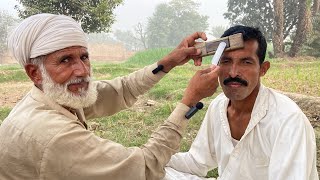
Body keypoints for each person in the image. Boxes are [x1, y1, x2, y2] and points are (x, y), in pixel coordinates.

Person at [0, 13, 221, 180]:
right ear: (34, 73)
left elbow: (121, 89)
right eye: (65, 60)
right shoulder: (53, 135)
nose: (82, 70)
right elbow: (144, 168)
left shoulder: (53, 95)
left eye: (84, 57)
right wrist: (189, 102)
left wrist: (168, 62)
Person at [164, 25, 319, 180]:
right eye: (226, 61)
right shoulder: (218, 107)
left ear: (263, 69)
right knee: (155, 172)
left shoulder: (288, 120)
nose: (233, 72)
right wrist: (150, 158)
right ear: (216, 67)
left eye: (246, 62)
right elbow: (197, 162)